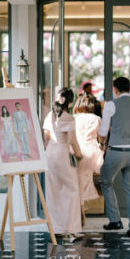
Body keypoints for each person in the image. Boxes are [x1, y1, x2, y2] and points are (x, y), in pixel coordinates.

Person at [99, 77, 130, 237]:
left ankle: (115, 220)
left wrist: (102, 142)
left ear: (115, 89)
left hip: (116, 151)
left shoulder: (111, 104)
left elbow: (103, 131)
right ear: (129, 88)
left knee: (106, 182)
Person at [43, 87, 84, 239]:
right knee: (71, 189)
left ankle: (56, 228)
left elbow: (46, 137)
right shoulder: (69, 118)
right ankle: (72, 229)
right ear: (71, 102)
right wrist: (79, 156)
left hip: (50, 154)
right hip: (62, 153)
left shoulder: (50, 116)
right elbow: (73, 141)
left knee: (53, 191)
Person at [73, 94, 103, 213]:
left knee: (77, 181)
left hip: (77, 151)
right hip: (91, 152)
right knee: (85, 179)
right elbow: (100, 138)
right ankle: (81, 209)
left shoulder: (73, 118)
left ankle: (79, 210)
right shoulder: (96, 119)